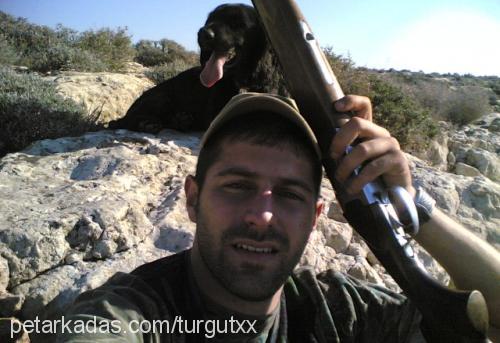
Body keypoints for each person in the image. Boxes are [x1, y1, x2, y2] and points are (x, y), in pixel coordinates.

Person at [57, 93, 500, 342]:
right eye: (236, 185)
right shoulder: (132, 313)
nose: (262, 214)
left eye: (289, 194)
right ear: (192, 200)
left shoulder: (341, 313)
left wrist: (413, 209)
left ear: (315, 217)